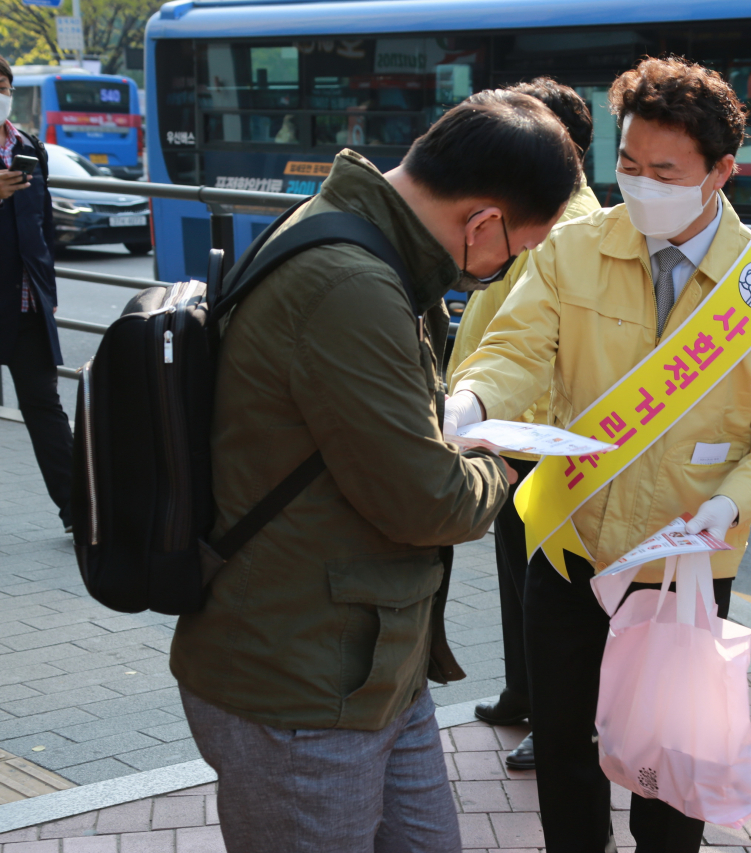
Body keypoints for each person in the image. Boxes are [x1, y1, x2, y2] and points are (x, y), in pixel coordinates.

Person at [168, 90, 581, 853]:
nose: (507, 266)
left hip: (369, 661)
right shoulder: (351, 283)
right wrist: (501, 457)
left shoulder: (361, 239)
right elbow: (427, 499)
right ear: (483, 221)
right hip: (300, 684)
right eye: (517, 250)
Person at [449, 57, 751, 852]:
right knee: (563, 750)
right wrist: (474, 399)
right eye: (627, 164)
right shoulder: (572, 249)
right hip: (569, 548)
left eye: (664, 170)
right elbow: (515, 348)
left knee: (672, 768)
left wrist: (733, 501)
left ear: (720, 172)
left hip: (684, 567)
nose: (640, 184)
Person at [444, 77, 601, 773]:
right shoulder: (544, 210)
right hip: (509, 424)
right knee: (518, 576)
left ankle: (553, 714)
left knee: (546, 590)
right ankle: (522, 691)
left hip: (541, 434)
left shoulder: (568, 224)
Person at [0, 55, 74, 535]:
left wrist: (48, 289)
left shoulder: (29, 147)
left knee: (44, 406)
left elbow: (43, 225)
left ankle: (80, 510)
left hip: (27, 303)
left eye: (2, 81)